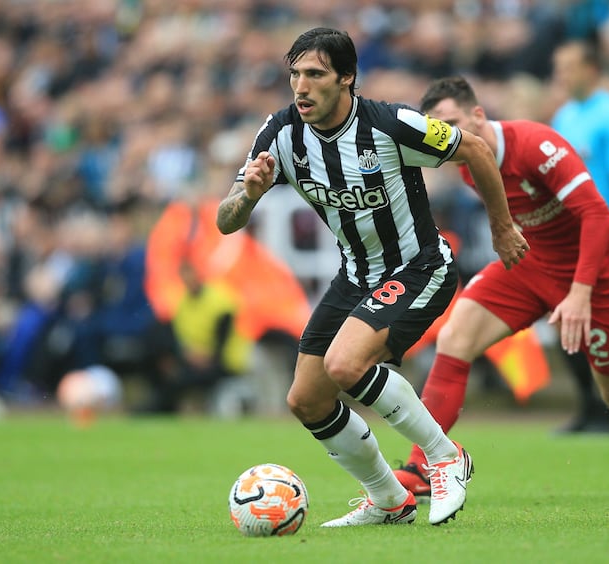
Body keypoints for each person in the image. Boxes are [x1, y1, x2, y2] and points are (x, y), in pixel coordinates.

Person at [215, 28, 528, 527]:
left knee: (345, 365)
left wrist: (502, 228)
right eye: (294, 74)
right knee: (306, 399)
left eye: (315, 74)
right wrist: (249, 194)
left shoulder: (390, 123)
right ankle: (388, 500)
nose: (301, 86)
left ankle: (445, 457)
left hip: (420, 266)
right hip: (355, 276)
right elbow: (225, 220)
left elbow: (477, 151)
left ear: (346, 78)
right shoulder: (280, 134)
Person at [393, 76, 609, 498]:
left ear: (479, 115)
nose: (448, 135)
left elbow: (597, 216)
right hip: (530, 263)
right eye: (440, 129)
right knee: (454, 336)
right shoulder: (466, 163)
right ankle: (420, 465)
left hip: (590, 273)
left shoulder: (535, 144)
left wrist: (579, 293)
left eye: (453, 122)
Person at [549, 39, 609, 434]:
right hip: (566, 232)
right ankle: (590, 406)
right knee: (564, 320)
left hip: (599, 230)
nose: (562, 75)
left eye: (568, 66)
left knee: (597, 321)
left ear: (591, 69)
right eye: (559, 67)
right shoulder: (565, 115)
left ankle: (607, 408)